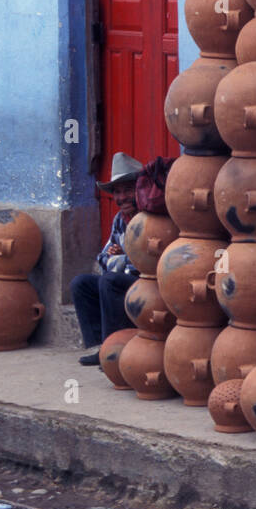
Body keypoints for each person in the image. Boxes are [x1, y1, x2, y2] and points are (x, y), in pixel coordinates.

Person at [72, 152, 143, 366]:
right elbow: (103, 259)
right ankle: (100, 348)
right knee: (81, 283)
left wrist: (122, 258)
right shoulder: (120, 220)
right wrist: (121, 258)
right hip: (124, 279)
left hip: (148, 285)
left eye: (127, 190)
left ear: (140, 189)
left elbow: (141, 265)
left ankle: (114, 350)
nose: (121, 198)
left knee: (110, 281)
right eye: (117, 192)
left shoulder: (150, 219)